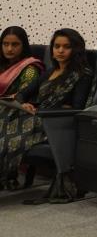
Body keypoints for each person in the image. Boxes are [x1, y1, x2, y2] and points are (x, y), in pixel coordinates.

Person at [4, 29, 94, 203]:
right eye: (56, 46)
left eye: (66, 47)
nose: (60, 50)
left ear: (76, 49)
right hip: (35, 115)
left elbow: (77, 107)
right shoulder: (51, 71)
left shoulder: (82, 74)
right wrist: (24, 103)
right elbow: (22, 94)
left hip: (52, 123)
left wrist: (52, 107)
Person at [0, 26, 43, 189]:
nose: (9, 49)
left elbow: (22, 96)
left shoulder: (30, 69)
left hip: (16, 113)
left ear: (23, 45)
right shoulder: (2, 64)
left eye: (15, 44)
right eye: (5, 44)